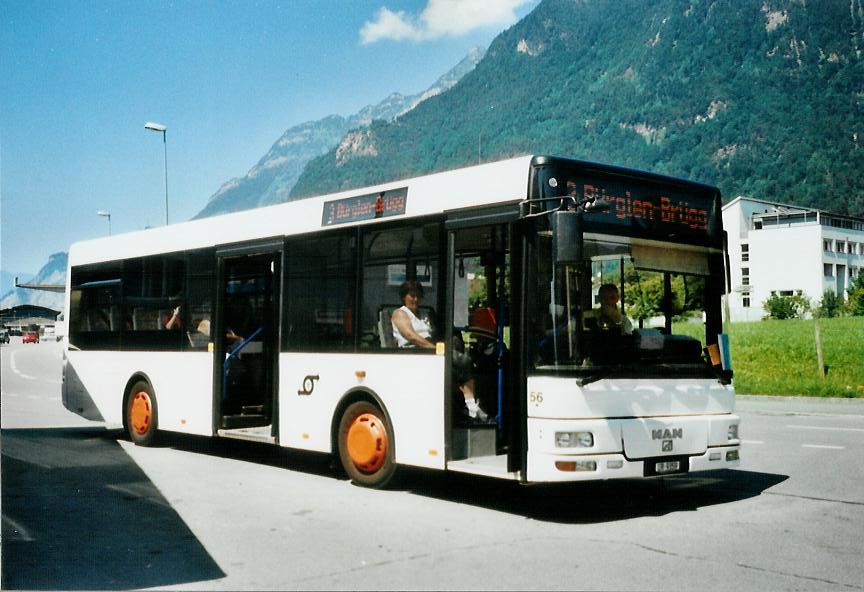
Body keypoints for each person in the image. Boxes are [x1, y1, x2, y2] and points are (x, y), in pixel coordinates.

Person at [392, 280, 489, 422]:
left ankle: (470, 405)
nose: (416, 299)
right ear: (404, 297)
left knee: (459, 351)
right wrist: (434, 349)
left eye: (418, 296)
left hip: (430, 350)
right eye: (412, 296)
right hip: (414, 353)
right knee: (462, 363)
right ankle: (471, 406)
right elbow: (410, 336)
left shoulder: (424, 315)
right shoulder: (400, 313)